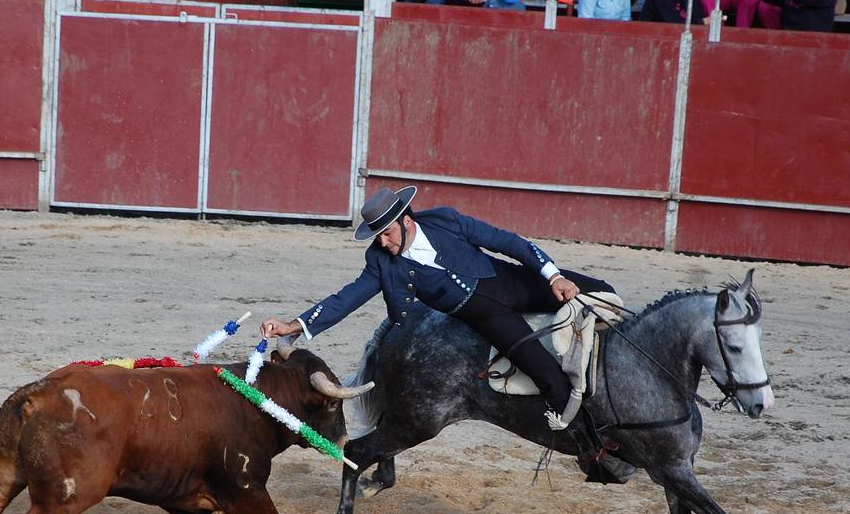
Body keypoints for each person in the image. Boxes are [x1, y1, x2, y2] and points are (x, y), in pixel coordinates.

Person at [258, 186, 622, 477]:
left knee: (601, 291)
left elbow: (508, 242)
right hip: (489, 319)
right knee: (549, 378)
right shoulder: (381, 261)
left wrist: (553, 276)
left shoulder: (445, 220)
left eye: (386, 233)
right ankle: (594, 452)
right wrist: (295, 325)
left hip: (515, 282)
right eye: (377, 236)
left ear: (406, 220)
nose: (382, 243)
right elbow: (346, 298)